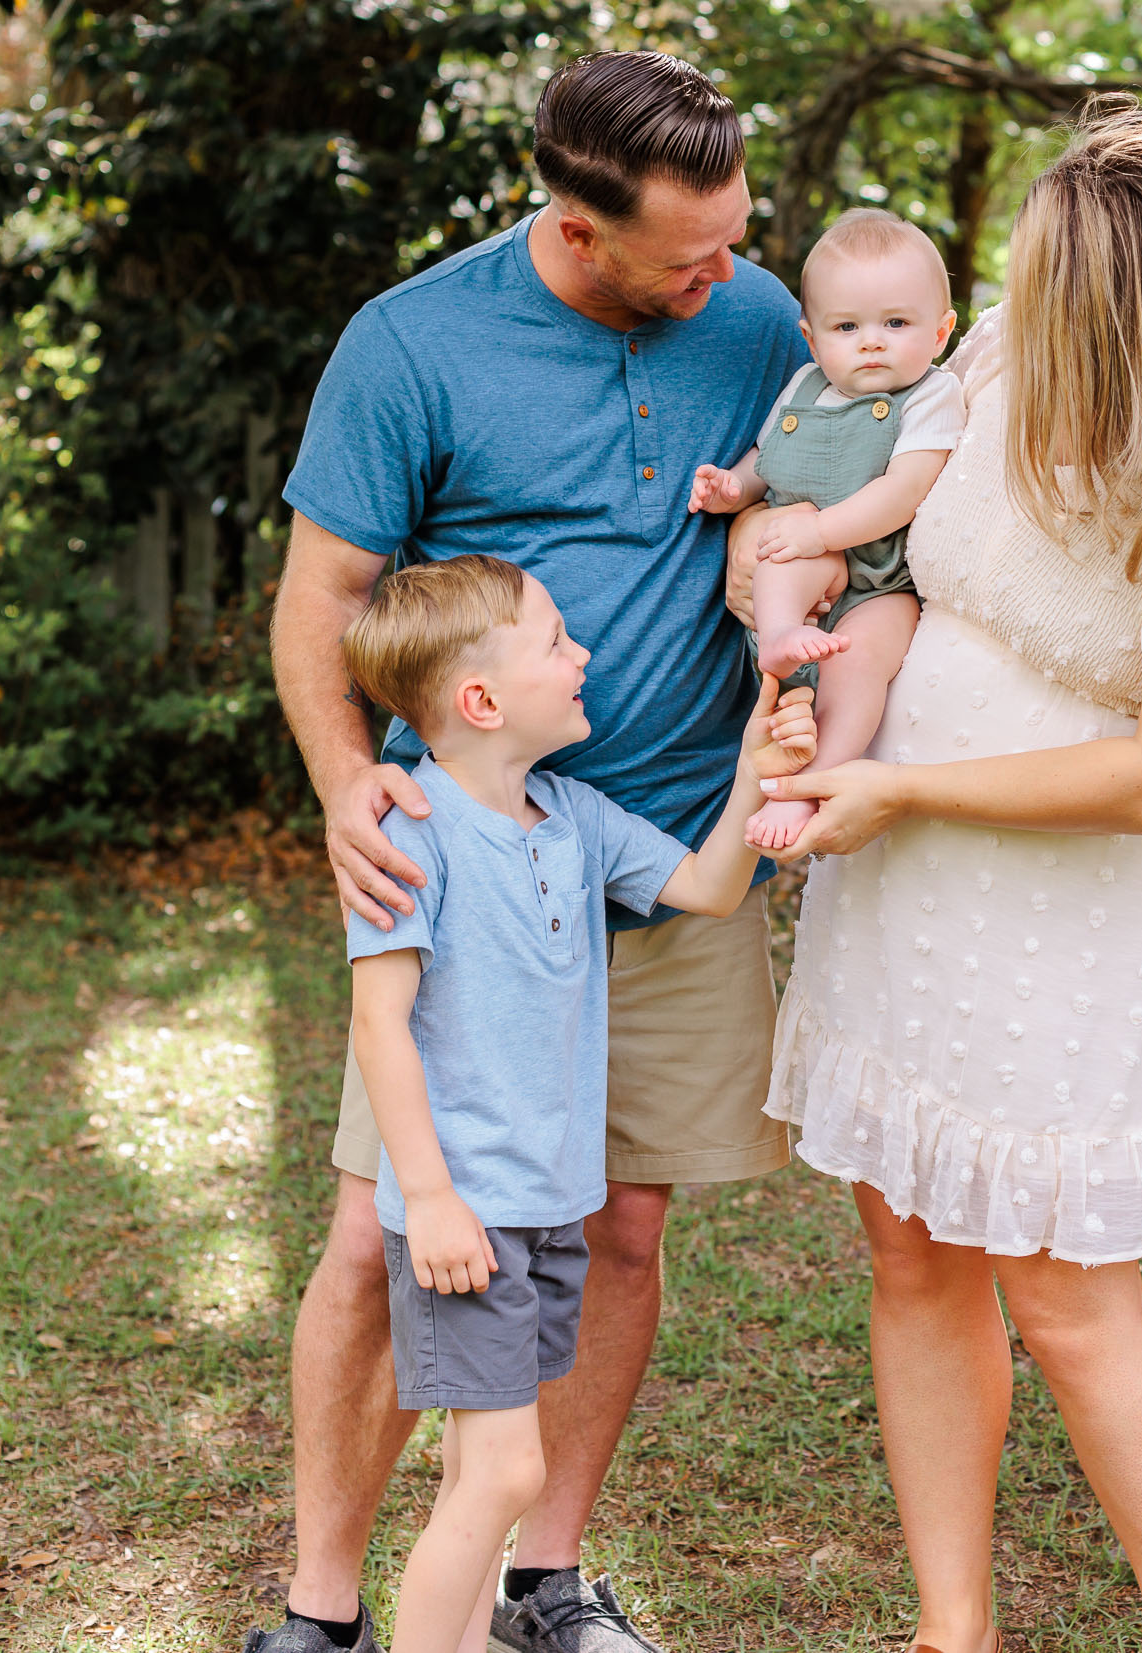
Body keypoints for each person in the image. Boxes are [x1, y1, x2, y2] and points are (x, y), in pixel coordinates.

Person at [736, 102, 1142, 1653]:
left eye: (1056, 294)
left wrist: (897, 781)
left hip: (1080, 907)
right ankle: (951, 1627)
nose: (1018, 319)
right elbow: (872, 535)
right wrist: (815, 694)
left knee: (1072, 1298)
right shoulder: (1009, 345)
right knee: (910, 1243)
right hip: (903, 872)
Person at [253, 49, 816, 1653]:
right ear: (577, 226)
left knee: (619, 1221)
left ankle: (540, 1579)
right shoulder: (413, 344)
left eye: (736, 236)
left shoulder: (763, 322)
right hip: (471, 865)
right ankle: (321, 1601)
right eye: (689, 254)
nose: (727, 277)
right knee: (377, 1233)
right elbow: (321, 602)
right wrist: (348, 784)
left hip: (668, 855)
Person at [333, 555, 783, 1653]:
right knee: (506, 1471)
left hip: (546, 1208)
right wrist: (431, 1199)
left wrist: (755, 772)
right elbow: (377, 1025)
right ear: (481, 701)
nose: (582, 656)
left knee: (476, 1466)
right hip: (466, 1218)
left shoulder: (575, 819)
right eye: (554, 642)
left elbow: (709, 889)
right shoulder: (413, 836)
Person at [687, 209, 963, 851]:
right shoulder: (806, 385)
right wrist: (735, 489)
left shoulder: (931, 395)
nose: (871, 342)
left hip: (882, 577)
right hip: (809, 561)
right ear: (812, 341)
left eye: (896, 323)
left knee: (858, 665)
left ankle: (813, 784)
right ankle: (781, 634)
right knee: (779, 542)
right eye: (847, 327)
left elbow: (903, 492)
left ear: (942, 331)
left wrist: (821, 533)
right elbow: (768, 460)